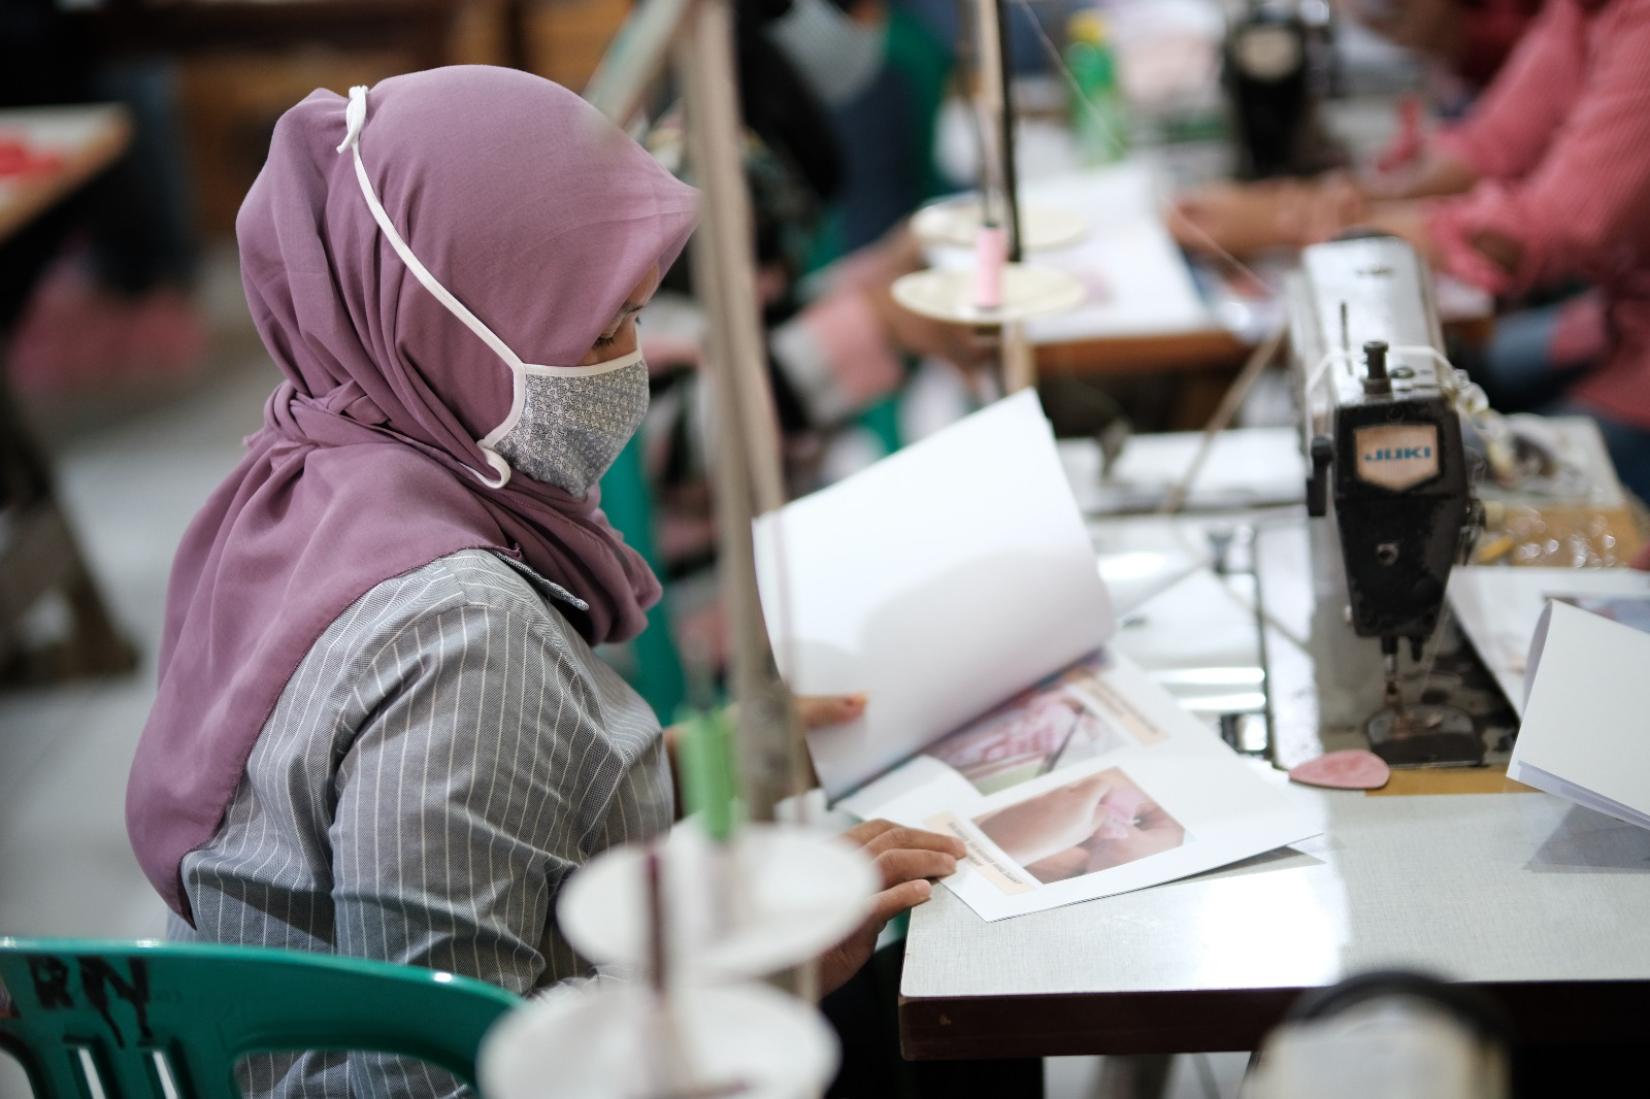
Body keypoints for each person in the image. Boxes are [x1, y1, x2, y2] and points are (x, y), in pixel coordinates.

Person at [125, 66, 963, 1097]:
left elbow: (460, 826)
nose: (632, 365)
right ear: (450, 329)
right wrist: (756, 969)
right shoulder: (461, 634)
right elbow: (434, 1075)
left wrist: (710, 763)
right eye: (601, 328)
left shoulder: (307, 494)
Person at [1173, 0, 1650, 502]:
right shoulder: (1583, 10)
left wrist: (1283, 219)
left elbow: (1551, 229)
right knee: (1456, 382)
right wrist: (1339, 201)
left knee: (1447, 491)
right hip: (1613, 318)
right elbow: (1489, 146)